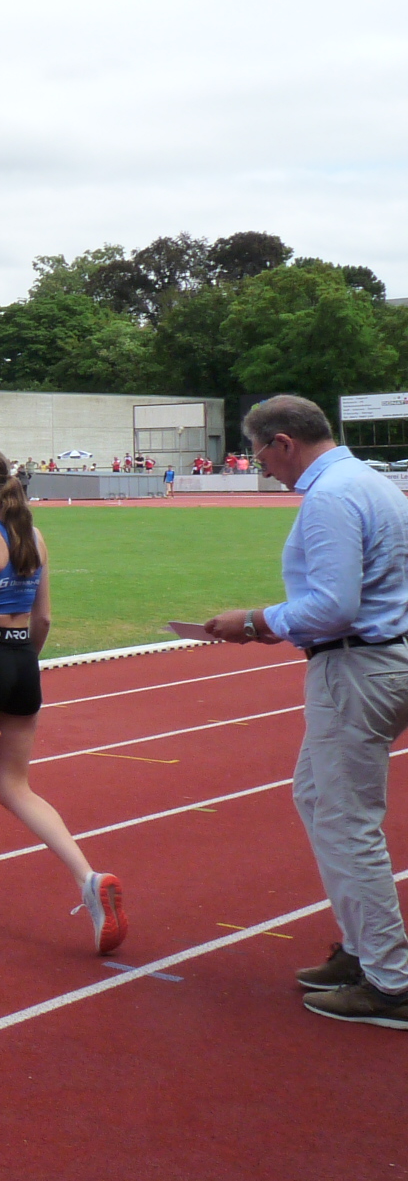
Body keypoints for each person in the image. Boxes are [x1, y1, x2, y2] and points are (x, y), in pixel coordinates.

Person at [201, 395, 408, 1029]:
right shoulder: (373, 483)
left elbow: (334, 605)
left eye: (261, 453)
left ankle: (390, 981)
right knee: (317, 797)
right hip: (380, 656)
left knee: (347, 821)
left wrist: (255, 622)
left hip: (356, 664)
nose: (262, 468)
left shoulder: (330, 497)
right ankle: (363, 950)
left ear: (284, 442)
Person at [0, 446, 125, 954]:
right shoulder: (33, 535)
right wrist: (20, 665)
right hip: (22, 662)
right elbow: (45, 619)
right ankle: (87, 876)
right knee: (15, 787)